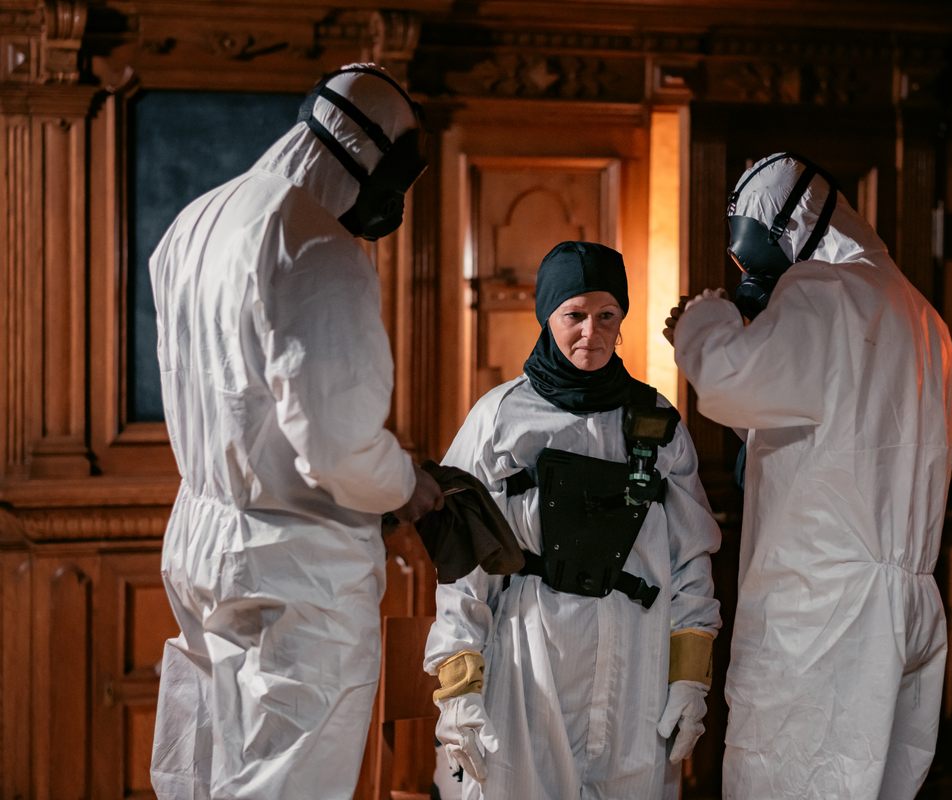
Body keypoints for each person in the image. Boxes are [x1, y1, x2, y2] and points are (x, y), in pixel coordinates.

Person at [148, 64, 443, 799]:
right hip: (297, 564)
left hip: (201, 535)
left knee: (207, 766)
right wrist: (410, 484)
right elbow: (338, 447)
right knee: (288, 780)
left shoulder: (198, 218)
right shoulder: (317, 247)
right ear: (371, 161)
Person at [664, 152, 952, 799]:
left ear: (793, 230)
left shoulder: (824, 291)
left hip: (818, 615)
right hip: (903, 606)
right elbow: (816, 434)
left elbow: (728, 380)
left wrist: (699, 320)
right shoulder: (922, 316)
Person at [425, 241, 722, 800]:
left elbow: (691, 559)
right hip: (529, 656)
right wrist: (459, 685)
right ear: (547, 316)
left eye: (606, 315)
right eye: (575, 315)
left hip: (635, 662)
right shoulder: (500, 419)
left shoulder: (656, 421)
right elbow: (460, 561)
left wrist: (689, 676)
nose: (592, 332)